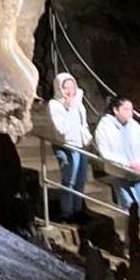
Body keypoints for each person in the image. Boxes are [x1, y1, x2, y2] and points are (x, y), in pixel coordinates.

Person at [94, 95, 140, 217]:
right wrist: (127, 164)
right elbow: (105, 152)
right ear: (116, 110)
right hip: (121, 172)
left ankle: (136, 231)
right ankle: (131, 232)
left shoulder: (135, 126)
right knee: (128, 205)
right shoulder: (104, 127)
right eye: (126, 109)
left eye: (131, 109)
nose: (130, 113)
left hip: (138, 172)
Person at [47, 72, 91, 221]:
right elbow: (62, 130)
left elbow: (82, 122)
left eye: (72, 87)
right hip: (65, 147)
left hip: (79, 145)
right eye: (65, 88)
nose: (69, 91)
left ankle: (77, 209)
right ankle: (67, 212)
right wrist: (71, 107)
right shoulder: (55, 105)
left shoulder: (78, 104)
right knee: (69, 180)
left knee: (80, 179)